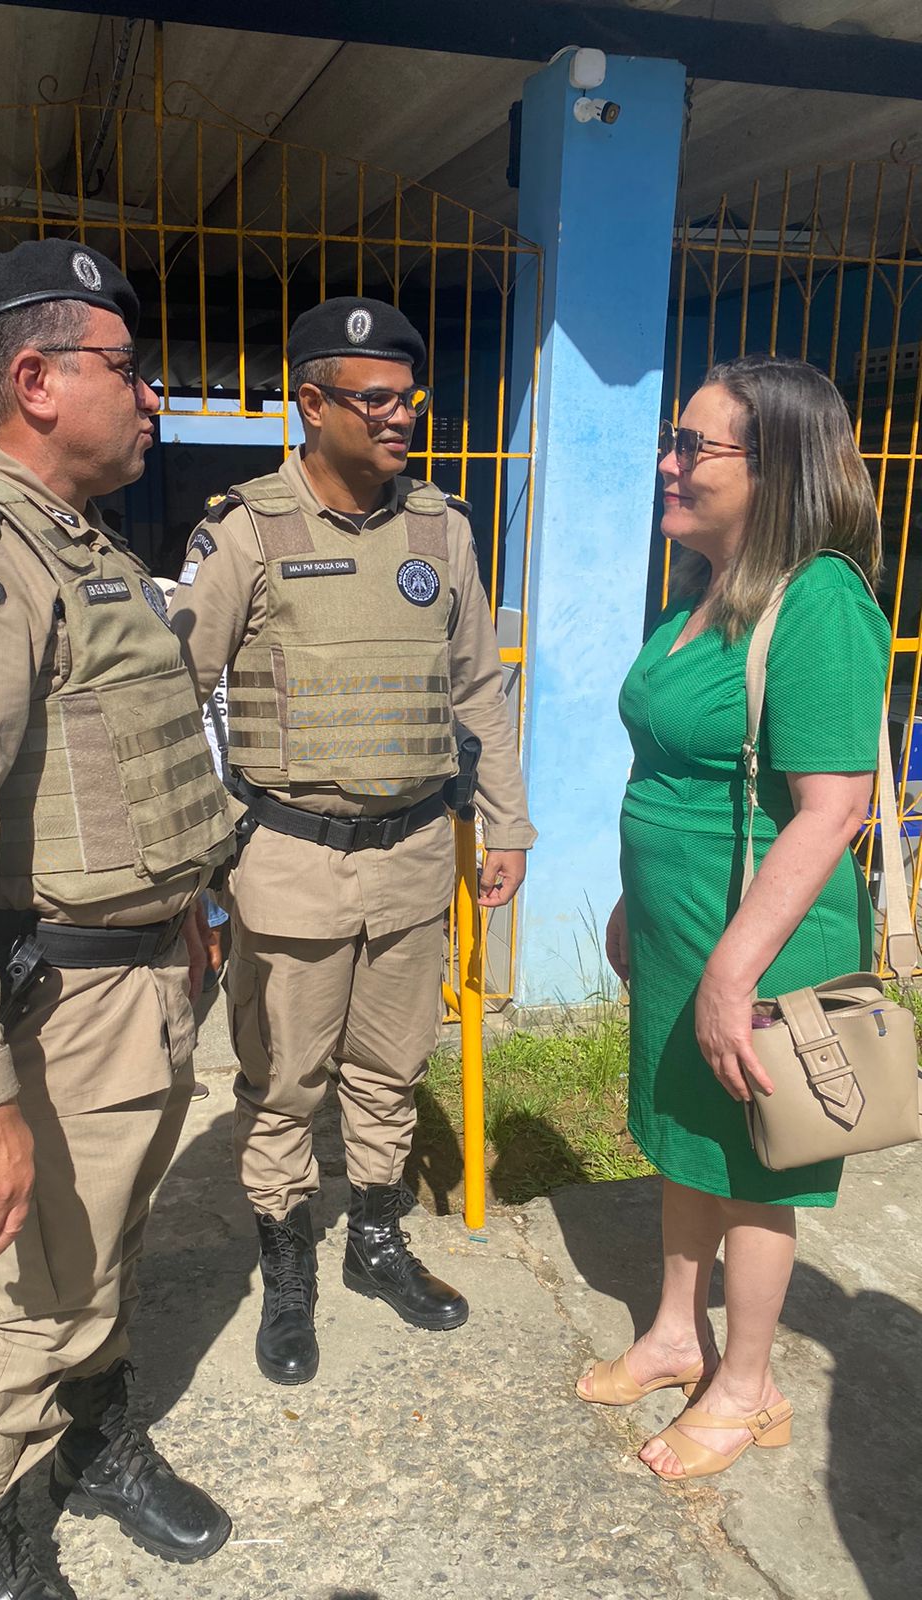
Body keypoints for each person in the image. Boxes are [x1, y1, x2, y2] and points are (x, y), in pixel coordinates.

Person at [0, 239, 236, 1598]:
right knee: (16, 1311)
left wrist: (185, 912)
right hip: (43, 1014)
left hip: (137, 987)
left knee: (102, 1251)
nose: (154, 396)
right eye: (130, 367)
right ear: (35, 380)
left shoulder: (77, 543)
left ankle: (94, 1446)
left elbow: (113, 771)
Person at [168, 296, 536, 1386]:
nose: (399, 416)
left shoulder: (440, 529)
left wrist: (507, 821)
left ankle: (374, 1238)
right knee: (284, 1081)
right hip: (291, 857)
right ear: (311, 404)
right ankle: (287, 1266)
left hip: (415, 853)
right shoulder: (245, 531)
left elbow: (478, 687)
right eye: (373, 399)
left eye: (408, 397)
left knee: (390, 1066)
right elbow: (174, 697)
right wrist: (193, 863)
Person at [581, 355, 889, 1482]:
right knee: (686, 1136)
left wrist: (731, 972)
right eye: (672, 439)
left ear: (777, 469)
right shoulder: (702, 591)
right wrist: (634, 902)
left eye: (692, 446)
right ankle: (677, 1331)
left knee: (761, 1165)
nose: (668, 463)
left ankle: (750, 1387)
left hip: (762, 944)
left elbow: (832, 808)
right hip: (684, 932)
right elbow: (678, 771)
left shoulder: (822, 601)